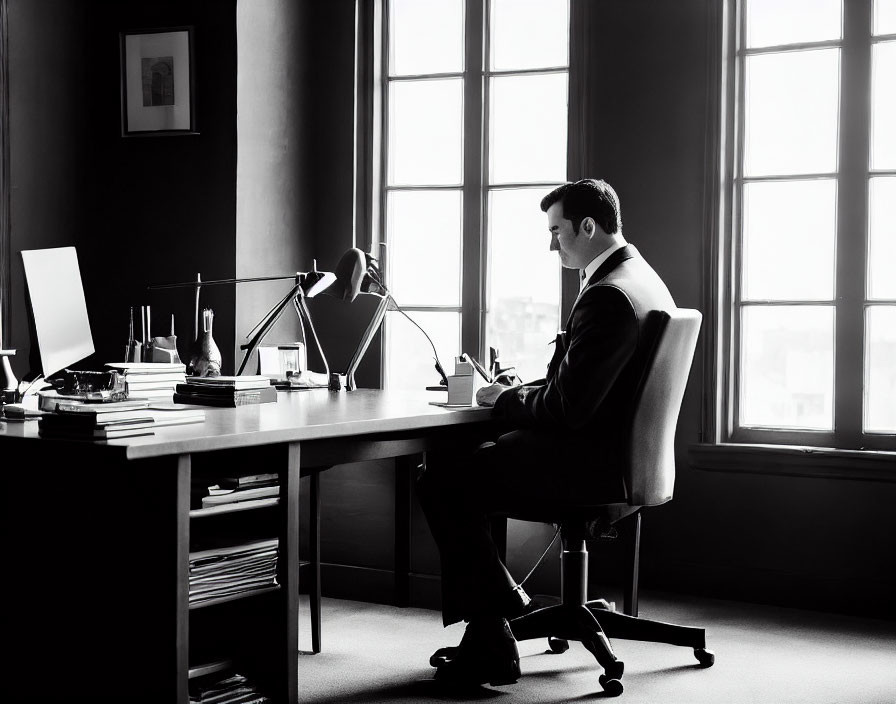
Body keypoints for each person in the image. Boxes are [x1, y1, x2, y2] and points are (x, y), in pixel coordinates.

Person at [416, 178, 676, 687]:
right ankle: (496, 621)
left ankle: (494, 630)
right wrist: (520, 390)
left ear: (587, 226)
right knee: (462, 466)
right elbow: (582, 383)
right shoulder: (641, 280)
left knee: (443, 479)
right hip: (626, 459)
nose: (552, 243)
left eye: (556, 230)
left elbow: (568, 408)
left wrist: (508, 399)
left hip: (587, 463)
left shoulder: (607, 295)